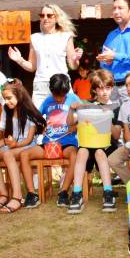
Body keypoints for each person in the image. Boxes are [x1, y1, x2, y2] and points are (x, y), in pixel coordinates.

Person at [20, 73, 80, 208]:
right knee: (24, 154)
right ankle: (31, 194)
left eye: (62, 96)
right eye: (56, 96)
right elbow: (37, 118)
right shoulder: (47, 101)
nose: (59, 99)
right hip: (48, 144)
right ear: (51, 91)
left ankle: (63, 192)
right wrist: (41, 126)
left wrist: (75, 125)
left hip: (67, 143)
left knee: (74, 155)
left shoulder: (73, 98)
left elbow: (86, 118)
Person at [66, 69, 121, 214]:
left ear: (112, 88)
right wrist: (71, 110)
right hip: (88, 144)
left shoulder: (116, 107)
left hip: (108, 146)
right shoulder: (87, 105)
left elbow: (116, 134)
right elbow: (70, 123)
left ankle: (108, 193)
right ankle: (77, 194)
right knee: (82, 150)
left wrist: (107, 118)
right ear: (95, 90)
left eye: (108, 88)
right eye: (100, 88)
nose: (104, 92)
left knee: (99, 152)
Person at [0, 79, 45, 214]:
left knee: (7, 154)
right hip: (13, 145)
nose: (7, 101)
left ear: (19, 95)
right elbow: (1, 134)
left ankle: (17, 197)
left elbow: (29, 139)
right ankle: (3, 195)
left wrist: (14, 145)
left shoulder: (29, 112)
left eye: (9, 98)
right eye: (4, 99)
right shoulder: (6, 109)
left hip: (28, 145)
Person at [8, 4, 83, 108]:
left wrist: (76, 59)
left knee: (66, 118)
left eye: (49, 15)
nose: (45, 18)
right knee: (40, 120)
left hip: (61, 83)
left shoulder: (66, 36)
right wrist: (19, 60)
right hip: (41, 85)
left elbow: (73, 66)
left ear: (56, 18)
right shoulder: (34, 38)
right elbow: (32, 67)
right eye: (42, 15)